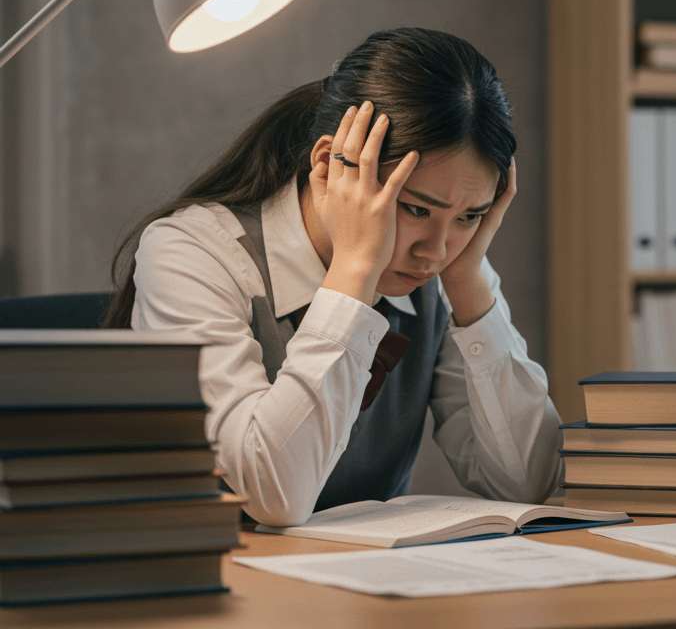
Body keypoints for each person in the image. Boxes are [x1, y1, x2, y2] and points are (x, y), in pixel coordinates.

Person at [106, 27, 562, 526]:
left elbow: (532, 483)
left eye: (469, 217)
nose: (435, 251)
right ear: (330, 166)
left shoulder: (448, 265)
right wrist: (354, 271)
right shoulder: (191, 252)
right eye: (413, 208)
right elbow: (273, 496)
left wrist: (471, 284)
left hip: (369, 592)